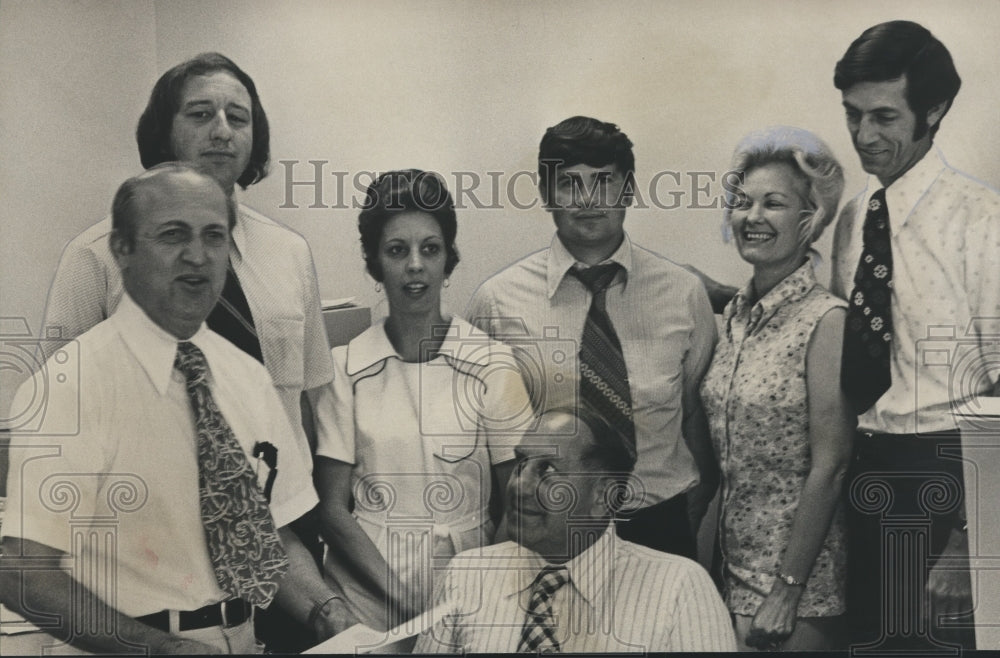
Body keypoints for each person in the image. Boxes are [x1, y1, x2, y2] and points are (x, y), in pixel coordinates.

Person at [0, 164, 351, 654]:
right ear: (122, 250)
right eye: (173, 235)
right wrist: (160, 649)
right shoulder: (69, 384)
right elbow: (22, 570)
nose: (197, 256)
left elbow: (273, 536)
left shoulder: (248, 378)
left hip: (243, 639)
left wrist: (327, 611)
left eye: (214, 236)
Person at [35, 52, 334, 469]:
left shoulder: (290, 252)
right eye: (201, 114)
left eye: (238, 118)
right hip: (151, 514)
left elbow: (309, 399)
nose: (223, 131)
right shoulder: (97, 256)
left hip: (277, 513)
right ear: (164, 133)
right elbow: (60, 412)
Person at [466, 116, 718, 559]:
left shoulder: (683, 294)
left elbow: (697, 420)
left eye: (603, 181)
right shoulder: (497, 302)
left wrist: (688, 514)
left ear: (629, 189)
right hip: (546, 530)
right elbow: (479, 436)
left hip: (659, 524)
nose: (587, 199)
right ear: (545, 195)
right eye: (568, 183)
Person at [831, 21, 999, 651]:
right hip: (864, 467)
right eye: (852, 115)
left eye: (883, 116)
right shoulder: (854, 219)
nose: (864, 136)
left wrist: (967, 537)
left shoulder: (983, 220)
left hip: (949, 474)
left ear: (934, 109)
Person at [313, 170, 533, 633]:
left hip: (472, 590)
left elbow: (519, 500)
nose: (415, 265)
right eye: (397, 250)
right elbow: (332, 509)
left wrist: (475, 592)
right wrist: (404, 601)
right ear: (375, 263)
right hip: (366, 596)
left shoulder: (493, 364)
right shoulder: (344, 368)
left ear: (449, 260)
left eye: (430, 249)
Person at [699, 126, 854, 651]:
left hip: (794, 588)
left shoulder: (826, 319)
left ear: (809, 217)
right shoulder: (737, 317)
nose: (752, 217)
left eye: (774, 204)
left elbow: (830, 466)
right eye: (742, 203)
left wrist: (786, 592)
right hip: (728, 572)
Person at [414, 407, 735, 653]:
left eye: (547, 470)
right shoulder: (465, 575)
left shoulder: (678, 589)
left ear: (601, 496)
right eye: (521, 463)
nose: (519, 485)